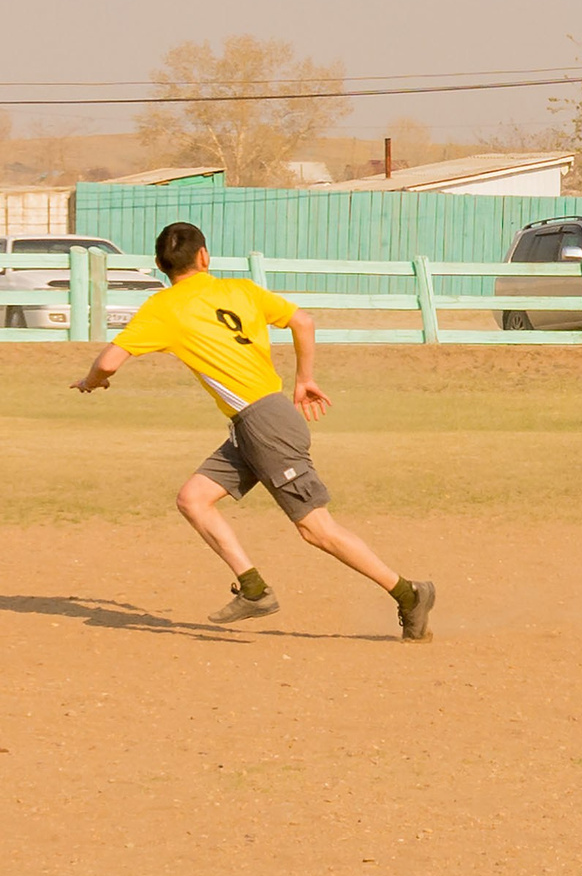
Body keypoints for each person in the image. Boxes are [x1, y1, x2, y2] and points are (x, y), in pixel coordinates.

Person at [70, 222, 434, 638]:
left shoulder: (162, 307)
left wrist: (92, 381)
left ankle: (409, 594)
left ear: (159, 266)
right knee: (194, 499)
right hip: (256, 422)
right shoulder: (240, 290)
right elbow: (304, 321)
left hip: (265, 424)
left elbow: (110, 361)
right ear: (204, 256)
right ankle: (254, 588)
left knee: (316, 528)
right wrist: (304, 379)